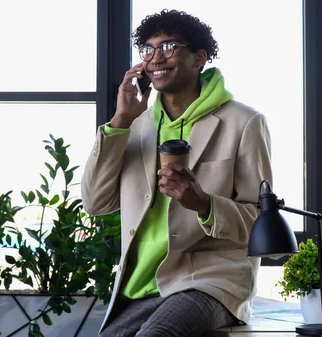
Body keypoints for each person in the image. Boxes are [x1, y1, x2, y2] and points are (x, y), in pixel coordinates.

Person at [81, 9, 273, 337]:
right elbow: (97, 203)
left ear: (199, 58)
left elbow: (259, 222)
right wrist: (119, 122)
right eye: (148, 49)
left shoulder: (243, 123)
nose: (156, 57)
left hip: (209, 281)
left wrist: (205, 204)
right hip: (139, 285)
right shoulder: (136, 125)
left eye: (168, 46)